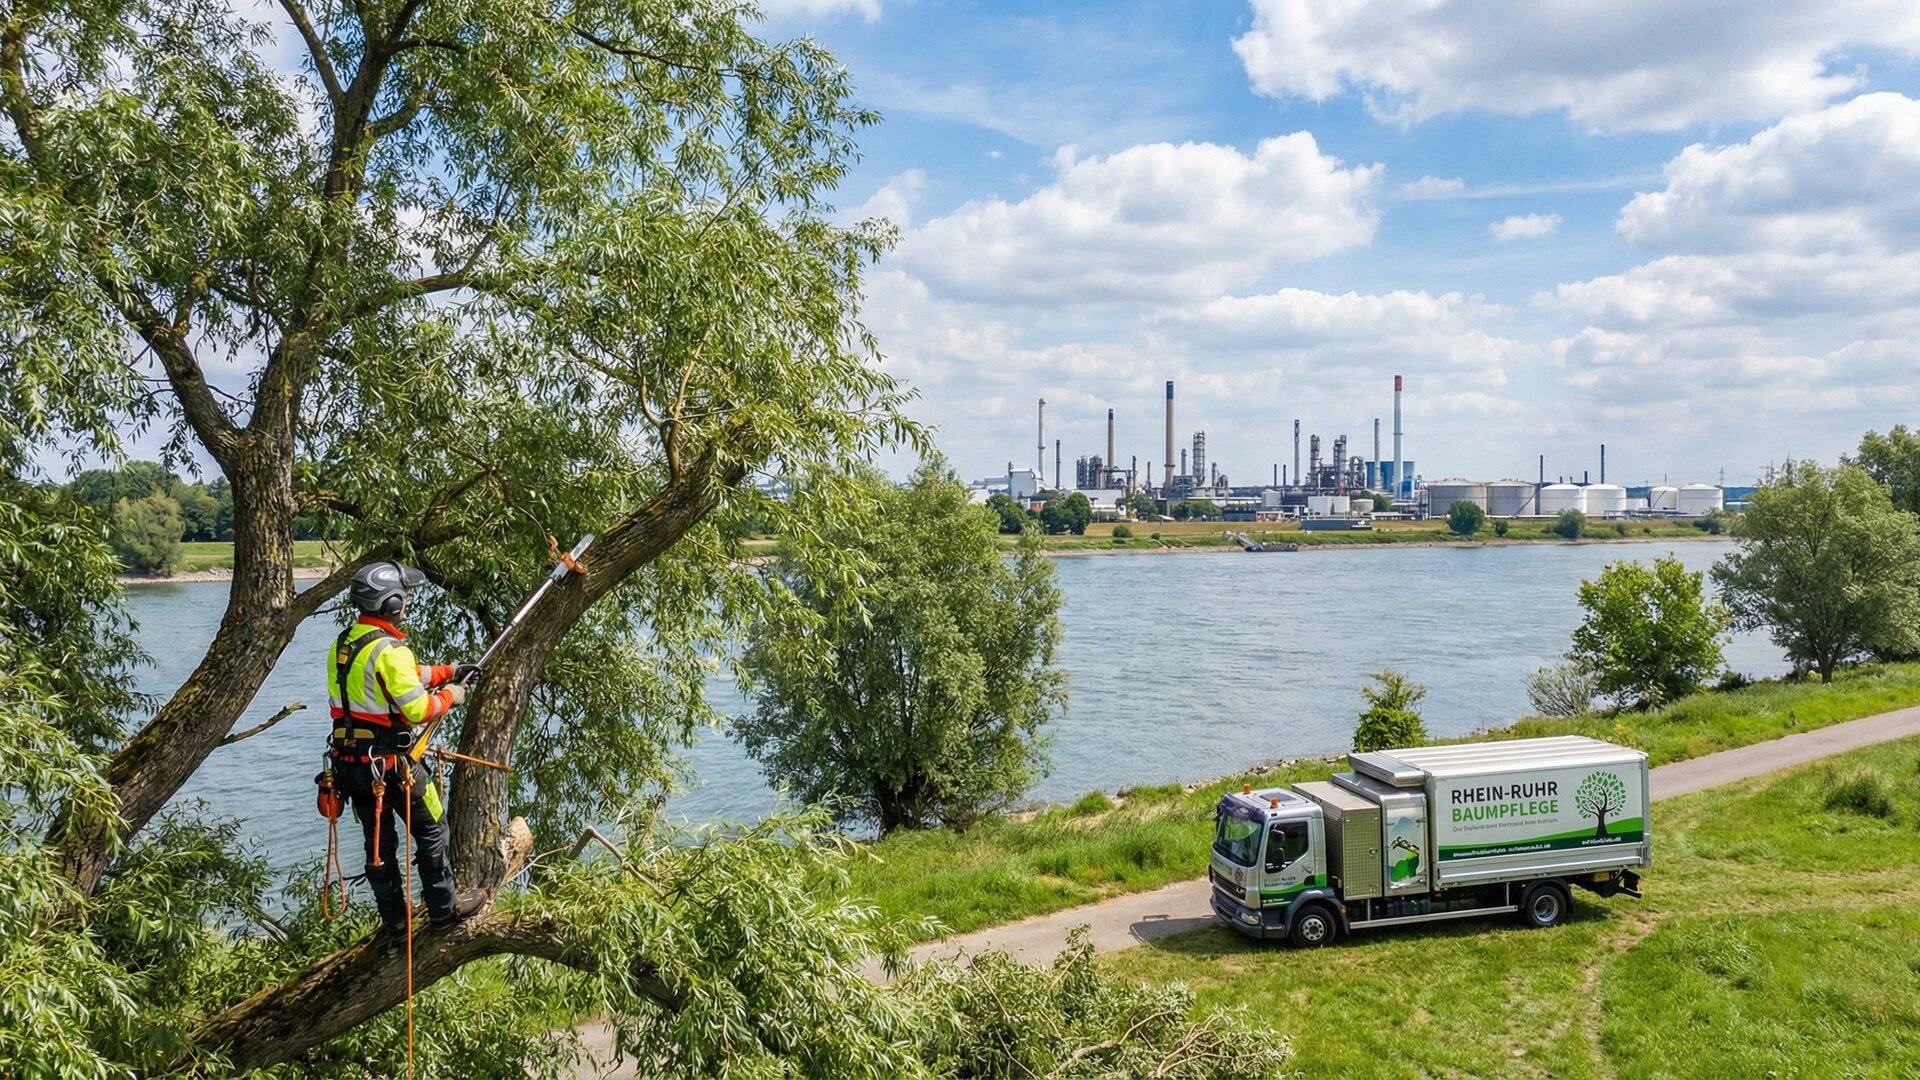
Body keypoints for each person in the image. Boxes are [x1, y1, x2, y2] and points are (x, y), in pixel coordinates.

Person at [326, 561, 484, 936]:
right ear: (391, 604)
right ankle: (445, 911)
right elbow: (416, 709)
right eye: (404, 597)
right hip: (394, 766)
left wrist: (449, 670)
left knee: (378, 841)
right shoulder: (391, 650)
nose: (408, 602)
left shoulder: (346, 642)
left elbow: (403, 677)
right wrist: (452, 695)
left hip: (351, 765)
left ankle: (396, 921)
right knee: (433, 830)